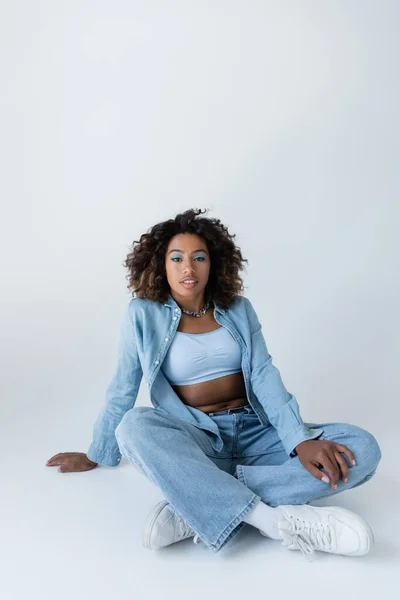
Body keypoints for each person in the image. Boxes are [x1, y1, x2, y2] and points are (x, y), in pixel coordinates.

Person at [46, 208, 381, 561]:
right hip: (199, 437)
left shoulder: (239, 308)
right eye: (177, 258)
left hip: (257, 432)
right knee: (134, 427)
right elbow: (123, 387)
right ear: (161, 264)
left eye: (198, 257)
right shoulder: (142, 314)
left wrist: (298, 441)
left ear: (213, 263)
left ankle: (196, 500)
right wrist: (98, 453)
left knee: (363, 449)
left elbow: (265, 375)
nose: (188, 268)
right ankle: (270, 520)